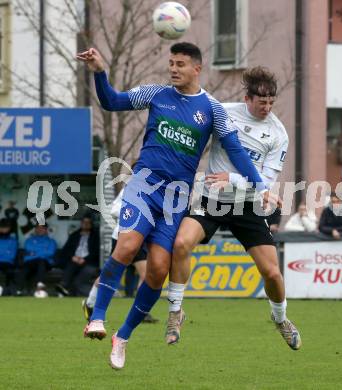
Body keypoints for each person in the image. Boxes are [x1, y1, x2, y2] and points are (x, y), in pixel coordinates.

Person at [77, 43, 279, 369]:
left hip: (176, 199)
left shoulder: (213, 109)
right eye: (171, 63)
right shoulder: (155, 93)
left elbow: (237, 152)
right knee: (128, 245)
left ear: (196, 68)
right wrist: (100, 71)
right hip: (144, 185)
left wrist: (260, 186)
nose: (173, 69)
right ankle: (97, 318)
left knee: (157, 270)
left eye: (180, 64)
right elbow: (111, 101)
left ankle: (122, 337)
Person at [165, 66, 301, 351]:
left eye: (271, 103)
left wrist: (233, 179)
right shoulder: (223, 112)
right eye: (261, 102)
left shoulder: (278, 134)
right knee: (180, 244)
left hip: (247, 206)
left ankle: (281, 319)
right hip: (211, 200)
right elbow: (193, 129)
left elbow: (265, 182)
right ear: (247, 98)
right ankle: (176, 311)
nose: (267, 108)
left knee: (272, 273)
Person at [82, 189, 158, 324]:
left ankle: (141, 312)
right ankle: (89, 303)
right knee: (109, 275)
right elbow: (114, 209)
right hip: (123, 237)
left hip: (141, 238)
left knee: (146, 275)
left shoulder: (156, 187)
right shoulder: (131, 187)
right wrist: (134, 213)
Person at [56, 216, 99, 296]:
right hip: (74, 260)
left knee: (81, 277)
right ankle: (63, 286)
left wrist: (85, 259)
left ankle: (69, 291)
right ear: (81, 224)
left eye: (88, 223)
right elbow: (66, 250)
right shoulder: (74, 235)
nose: (85, 224)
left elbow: (96, 252)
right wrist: (73, 257)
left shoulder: (95, 237)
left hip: (88, 262)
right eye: (84, 223)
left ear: (91, 224)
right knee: (71, 266)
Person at [20, 224, 57, 297]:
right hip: (31, 262)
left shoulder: (51, 241)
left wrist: (35, 253)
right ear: (35, 229)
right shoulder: (29, 240)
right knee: (24, 269)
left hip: (45, 263)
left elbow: (50, 253)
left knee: (41, 262)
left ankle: (40, 287)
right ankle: (18, 290)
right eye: (38, 228)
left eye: (42, 228)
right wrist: (42, 251)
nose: (40, 229)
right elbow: (28, 251)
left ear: (46, 230)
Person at [0, 219, 18, 296]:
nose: (4, 229)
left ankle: (6, 290)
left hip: (7, 262)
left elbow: (11, 255)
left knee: (9, 271)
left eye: (6, 227)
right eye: (2, 227)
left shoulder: (13, 240)